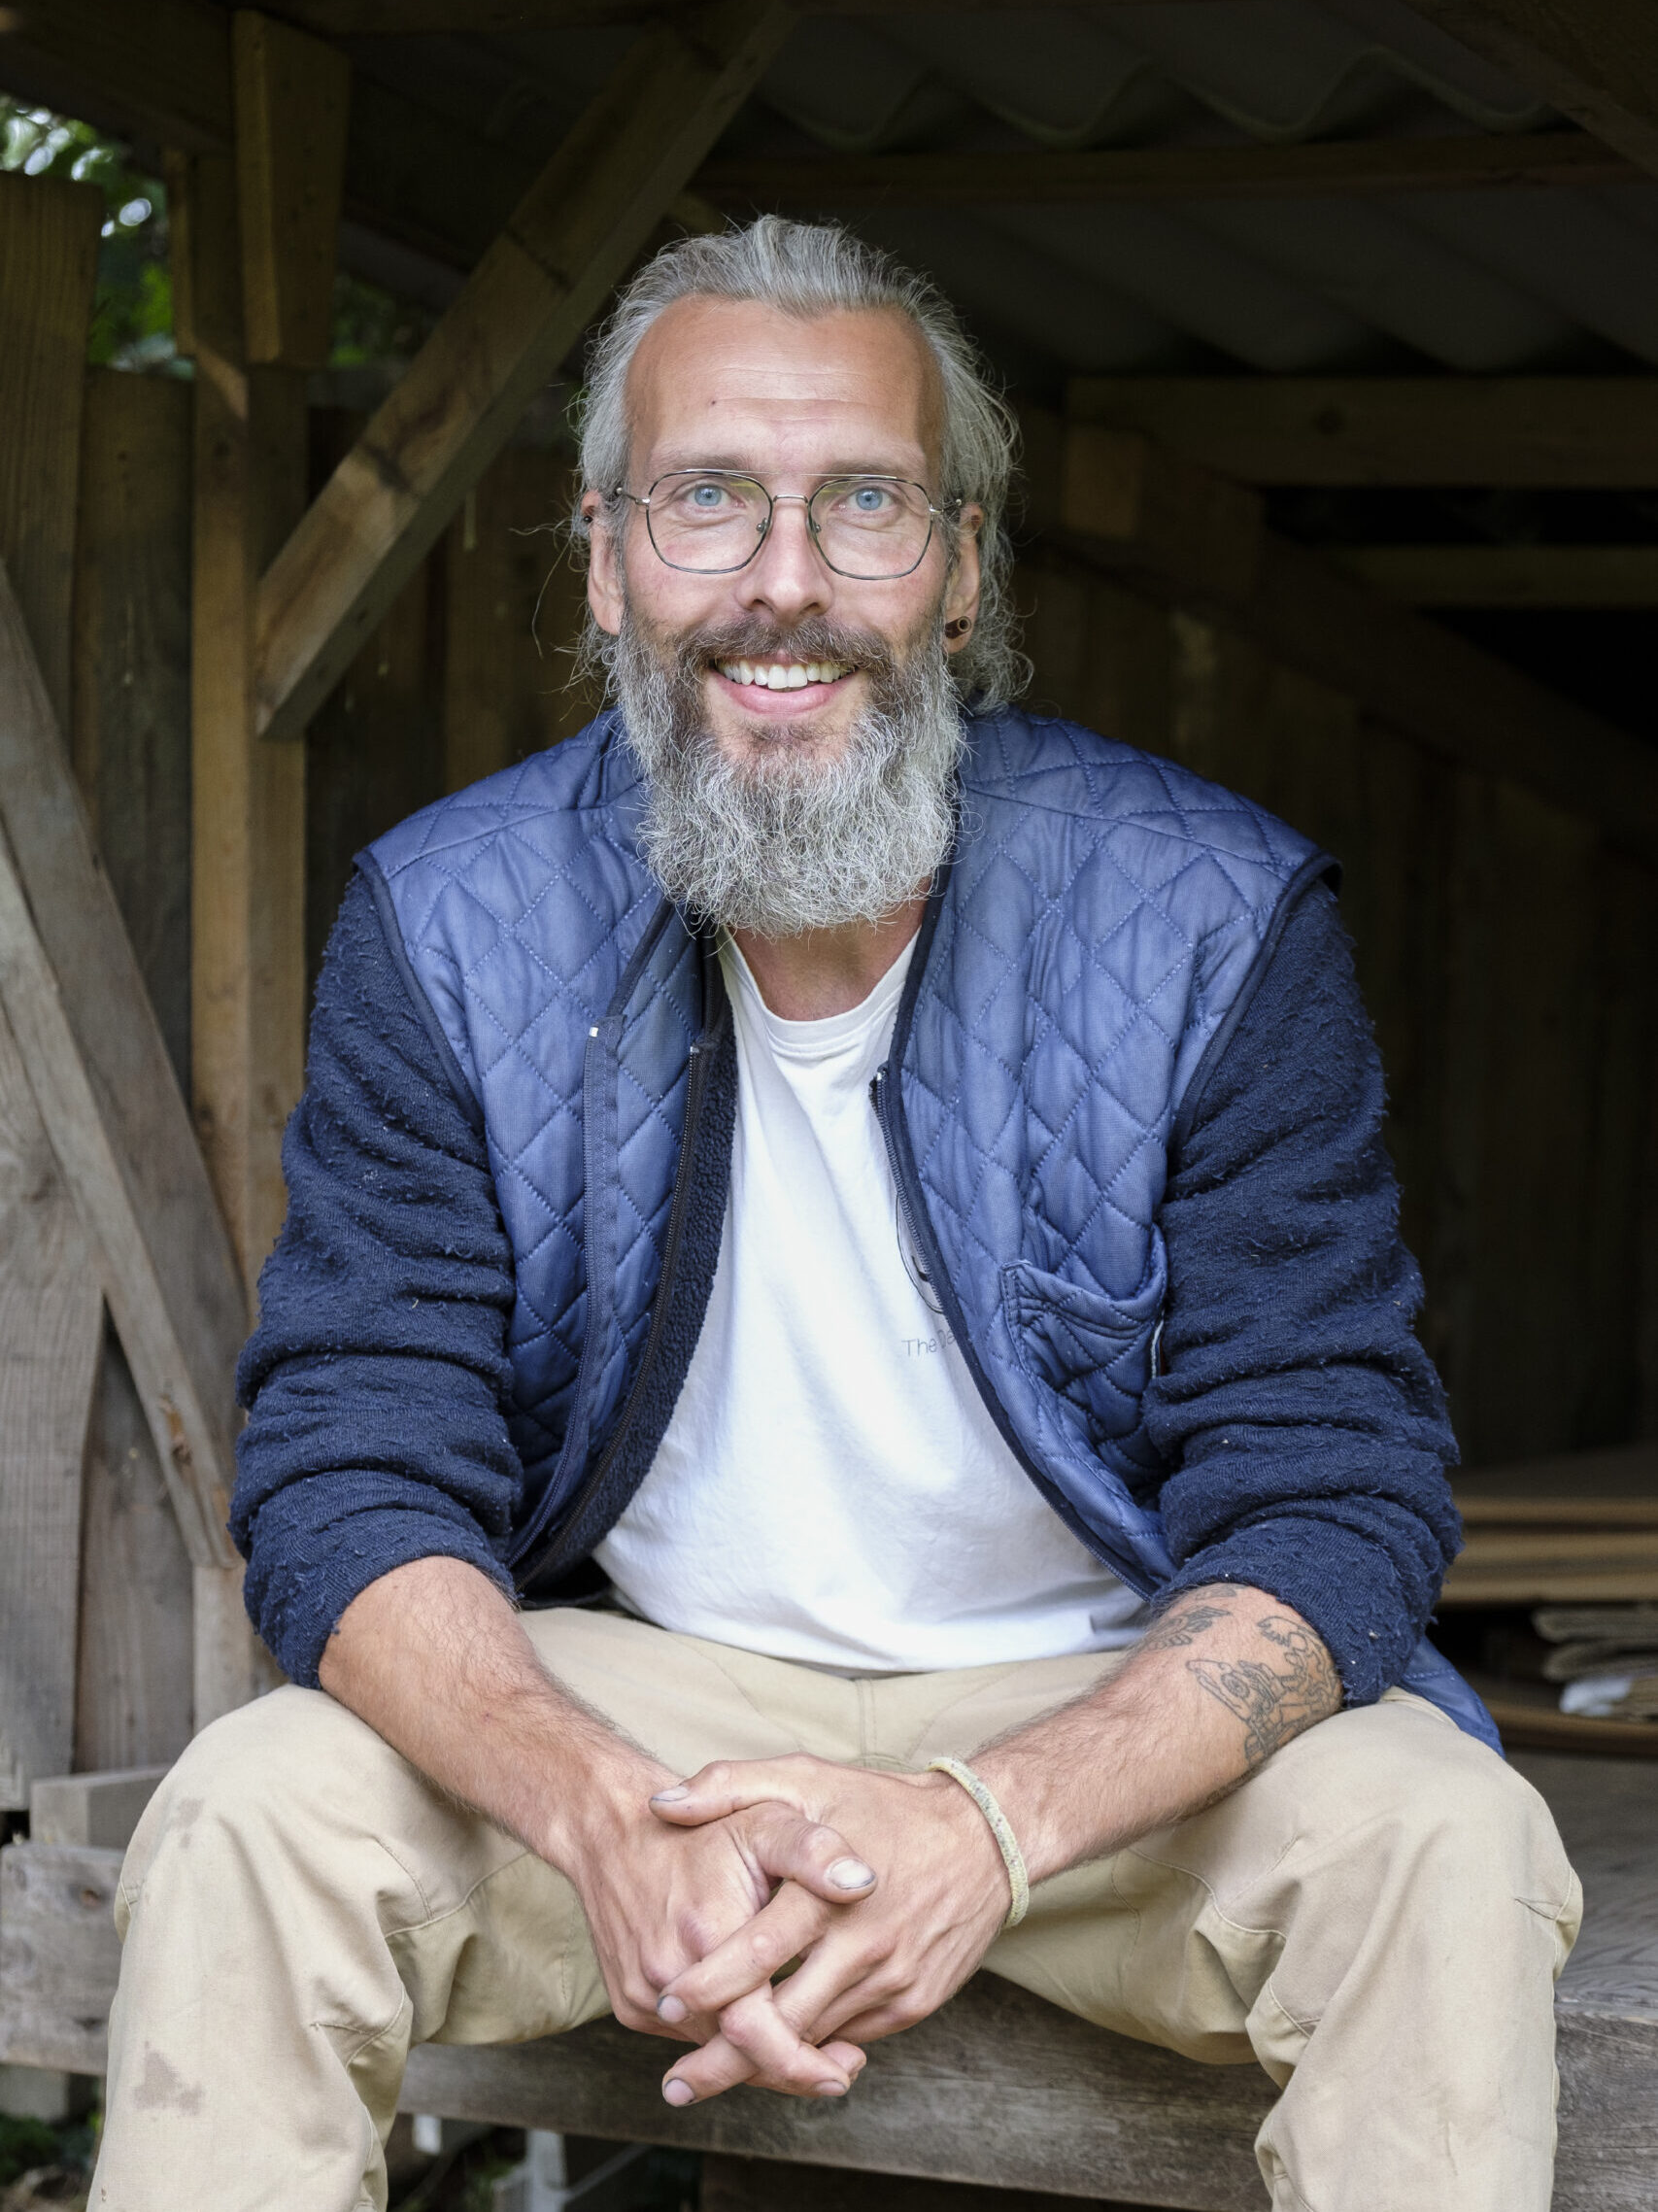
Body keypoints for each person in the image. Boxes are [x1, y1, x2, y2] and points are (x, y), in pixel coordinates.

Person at [94, 218, 1577, 2212]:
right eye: (708, 497)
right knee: (252, 1813)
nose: (782, 581)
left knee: (1444, 1844)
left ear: (958, 572)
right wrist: (596, 1808)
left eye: (861, 502)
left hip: (1100, 1718)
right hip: (654, 1708)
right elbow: (351, 1471)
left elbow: (1333, 1495)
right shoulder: (447, 925)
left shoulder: (1211, 919)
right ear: (606, 559)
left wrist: (986, 1822)